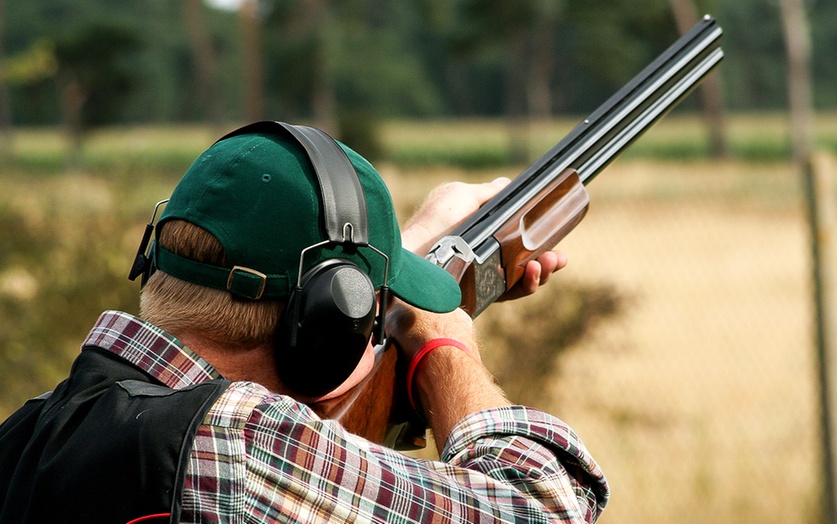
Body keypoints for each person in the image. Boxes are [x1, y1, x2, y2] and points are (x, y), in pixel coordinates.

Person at [0, 121, 608, 523]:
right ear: (321, 329)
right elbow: (542, 508)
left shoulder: (35, 435)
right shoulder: (237, 443)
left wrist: (396, 258)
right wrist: (443, 344)